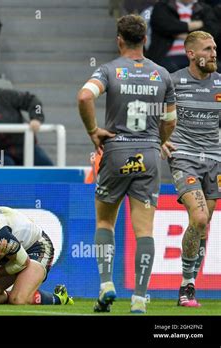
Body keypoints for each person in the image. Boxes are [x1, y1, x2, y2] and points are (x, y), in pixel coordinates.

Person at [77, 14, 177, 313]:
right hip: (148, 155)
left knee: (106, 221)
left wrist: (93, 131)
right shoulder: (162, 74)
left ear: (119, 40)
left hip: (116, 152)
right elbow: (171, 120)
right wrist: (158, 140)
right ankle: (139, 299)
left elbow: (84, 97)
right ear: (144, 39)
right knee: (144, 230)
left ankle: (107, 284)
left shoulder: (109, 70)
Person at [161, 31, 220, 307]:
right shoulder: (174, 82)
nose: (214, 53)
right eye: (208, 49)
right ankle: (186, 284)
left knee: (204, 224)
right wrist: (159, 141)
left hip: (215, 158)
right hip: (184, 156)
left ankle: (190, 286)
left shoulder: (220, 83)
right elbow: (152, 115)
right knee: (198, 217)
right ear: (192, 54)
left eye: (215, 48)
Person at [147, 0, 219, 73]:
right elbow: (164, 25)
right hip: (166, 56)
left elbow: (212, 30)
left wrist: (176, 32)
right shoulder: (162, 6)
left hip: (198, 57)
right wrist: (195, 25)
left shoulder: (205, 8)